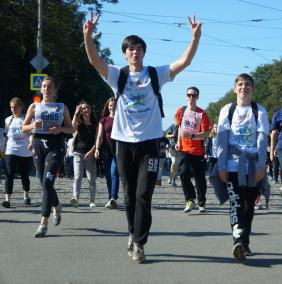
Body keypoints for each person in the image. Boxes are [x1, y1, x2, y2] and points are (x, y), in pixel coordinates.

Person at [83, 11, 202, 263]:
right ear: (124, 54)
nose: (135, 52)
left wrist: (195, 37)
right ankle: (131, 232)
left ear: (144, 52)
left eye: (138, 48)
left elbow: (184, 62)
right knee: (127, 196)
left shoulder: (155, 74)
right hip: (123, 145)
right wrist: (87, 36)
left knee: (143, 197)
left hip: (149, 145)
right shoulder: (119, 76)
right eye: (130, 49)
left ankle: (139, 243)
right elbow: (95, 62)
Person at [217, 73, 269, 260]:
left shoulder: (259, 111)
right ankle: (238, 241)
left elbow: (262, 140)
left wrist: (262, 166)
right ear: (234, 88)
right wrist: (221, 165)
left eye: (247, 84)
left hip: (253, 166)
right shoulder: (227, 110)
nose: (243, 87)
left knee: (248, 206)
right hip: (232, 166)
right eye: (240, 84)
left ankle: (243, 243)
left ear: (253, 88)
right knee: (236, 203)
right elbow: (221, 139)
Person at [21, 76, 74, 238]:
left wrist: (60, 129)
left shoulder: (61, 107)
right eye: (43, 86)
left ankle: (43, 224)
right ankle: (57, 206)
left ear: (55, 90)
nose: (46, 89)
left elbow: (71, 129)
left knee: (48, 181)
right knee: (45, 183)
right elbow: (24, 128)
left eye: (49, 87)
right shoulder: (34, 106)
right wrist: (33, 125)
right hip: (38, 143)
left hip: (56, 144)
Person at [175, 86, 211, 213]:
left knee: (199, 178)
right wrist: (178, 142)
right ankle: (189, 200)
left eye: (193, 95)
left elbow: (206, 133)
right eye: (189, 95)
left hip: (198, 151)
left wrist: (193, 136)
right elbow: (179, 128)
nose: (191, 97)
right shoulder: (181, 111)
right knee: (183, 172)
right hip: (183, 149)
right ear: (186, 96)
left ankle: (202, 201)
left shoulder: (202, 114)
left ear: (197, 97)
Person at [2, 97, 33, 208]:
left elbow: (31, 134)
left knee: (24, 174)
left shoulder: (27, 119)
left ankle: (26, 195)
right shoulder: (8, 120)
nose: (13, 109)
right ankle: (7, 200)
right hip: (11, 150)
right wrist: (3, 149)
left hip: (25, 151)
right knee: (9, 173)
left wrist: (30, 143)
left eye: (15, 107)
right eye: (11, 107)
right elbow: (6, 136)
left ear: (21, 107)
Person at [70, 101, 98, 208]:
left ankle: (92, 200)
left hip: (90, 152)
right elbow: (72, 127)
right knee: (77, 176)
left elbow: (97, 139)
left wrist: (92, 151)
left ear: (90, 109)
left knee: (91, 178)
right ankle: (75, 198)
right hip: (78, 151)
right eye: (84, 108)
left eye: (87, 107)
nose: (86, 110)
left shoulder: (95, 123)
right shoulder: (78, 121)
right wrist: (76, 113)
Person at [95, 97, 120, 209]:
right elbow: (100, 136)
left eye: (114, 105)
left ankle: (113, 197)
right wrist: (97, 148)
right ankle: (110, 197)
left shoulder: (121, 118)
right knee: (108, 175)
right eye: (110, 105)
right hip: (106, 149)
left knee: (114, 173)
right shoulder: (103, 120)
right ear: (107, 106)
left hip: (118, 149)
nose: (112, 107)